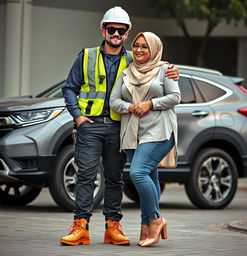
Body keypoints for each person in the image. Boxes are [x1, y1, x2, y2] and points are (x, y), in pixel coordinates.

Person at [61, 6, 179, 246]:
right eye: (112, 29)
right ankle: (80, 227)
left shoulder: (132, 58)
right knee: (85, 176)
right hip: (90, 126)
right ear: (103, 29)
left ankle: (113, 227)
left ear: (127, 33)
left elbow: (155, 67)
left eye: (121, 30)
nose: (116, 33)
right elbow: (69, 88)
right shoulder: (86, 56)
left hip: (119, 128)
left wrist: (173, 70)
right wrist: (78, 118)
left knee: (115, 178)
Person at [110, 32, 181, 247]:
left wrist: (150, 104)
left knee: (138, 173)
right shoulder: (127, 72)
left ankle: (156, 220)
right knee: (150, 175)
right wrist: (130, 107)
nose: (139, 50)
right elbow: (114, 100)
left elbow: (175, 97)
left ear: (154, 50)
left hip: (159, 132)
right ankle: (145, 228)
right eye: (136, 46)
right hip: (133, 134)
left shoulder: (165, 70)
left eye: (145, 47)